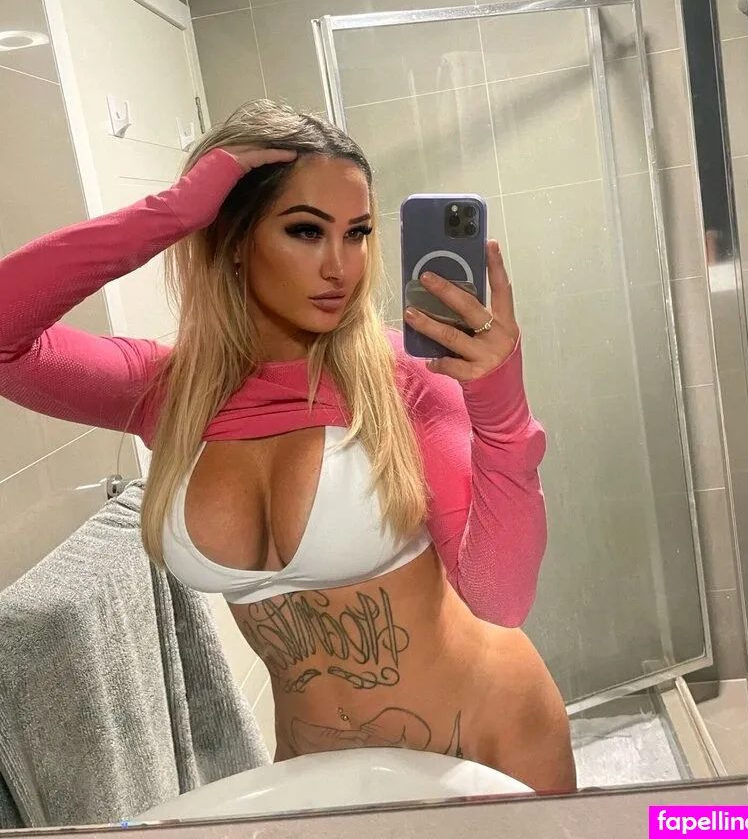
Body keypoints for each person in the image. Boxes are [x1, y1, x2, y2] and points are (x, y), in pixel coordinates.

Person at [0, 99, 576, 794]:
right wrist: (171, 215)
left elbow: (501, 600)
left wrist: (501, 414)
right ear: (233, 238)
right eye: (306, 230)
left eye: (357, 233)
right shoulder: (170, 393)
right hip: (313, 770)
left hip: (485, 745)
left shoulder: (404, 381)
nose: (341, 267)